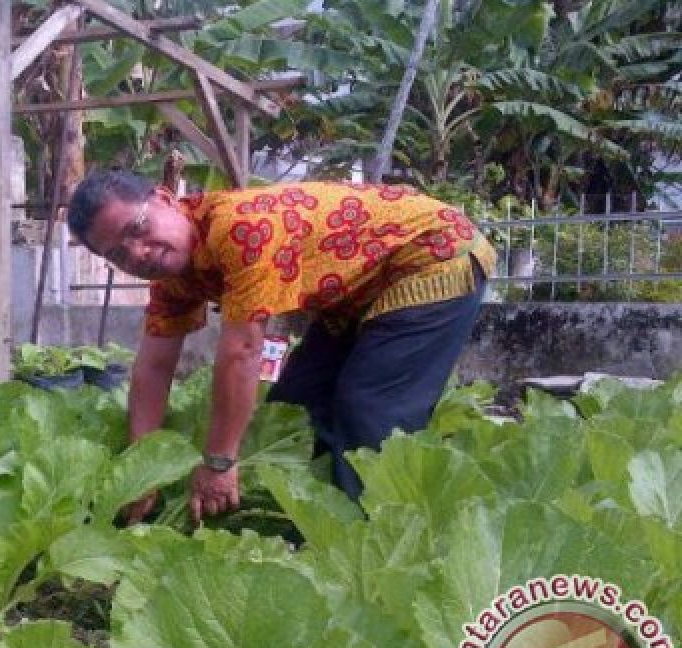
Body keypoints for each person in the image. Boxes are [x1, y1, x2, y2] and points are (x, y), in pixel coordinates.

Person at [66, 170, 496, 520]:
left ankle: (379, 537)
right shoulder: (173, 276)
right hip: (357, 291)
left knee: (369, 407)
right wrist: (142, 472)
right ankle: (310, 521)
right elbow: (152, 369)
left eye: (137, 229)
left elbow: (242, 352)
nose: (138, 253)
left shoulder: (239, 227)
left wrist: (219, 462)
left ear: (165, 198)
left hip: (433, 254)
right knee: (295, 408)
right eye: (119, 254)